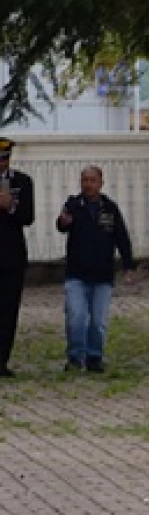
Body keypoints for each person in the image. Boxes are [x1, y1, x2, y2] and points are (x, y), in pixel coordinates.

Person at [54, 166, 135, 373]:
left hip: (102, 275)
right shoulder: (73, 204)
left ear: (101, 183)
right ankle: (74, 357)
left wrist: (128, 265)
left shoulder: (110, 208)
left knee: (98, 321)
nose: (88, 184)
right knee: (76, 316)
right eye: (85, 180)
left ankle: (94, 357)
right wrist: (64, 222)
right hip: (77, 273)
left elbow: (122, 238)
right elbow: (62, 225)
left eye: (92, 180)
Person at [0, 138, 35, 378]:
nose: (2, 164)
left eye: (4, 158)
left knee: (8, 311)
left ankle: (1, 360)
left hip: (11, 257)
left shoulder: (22, 182)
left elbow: (28, 216)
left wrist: (10, 206)